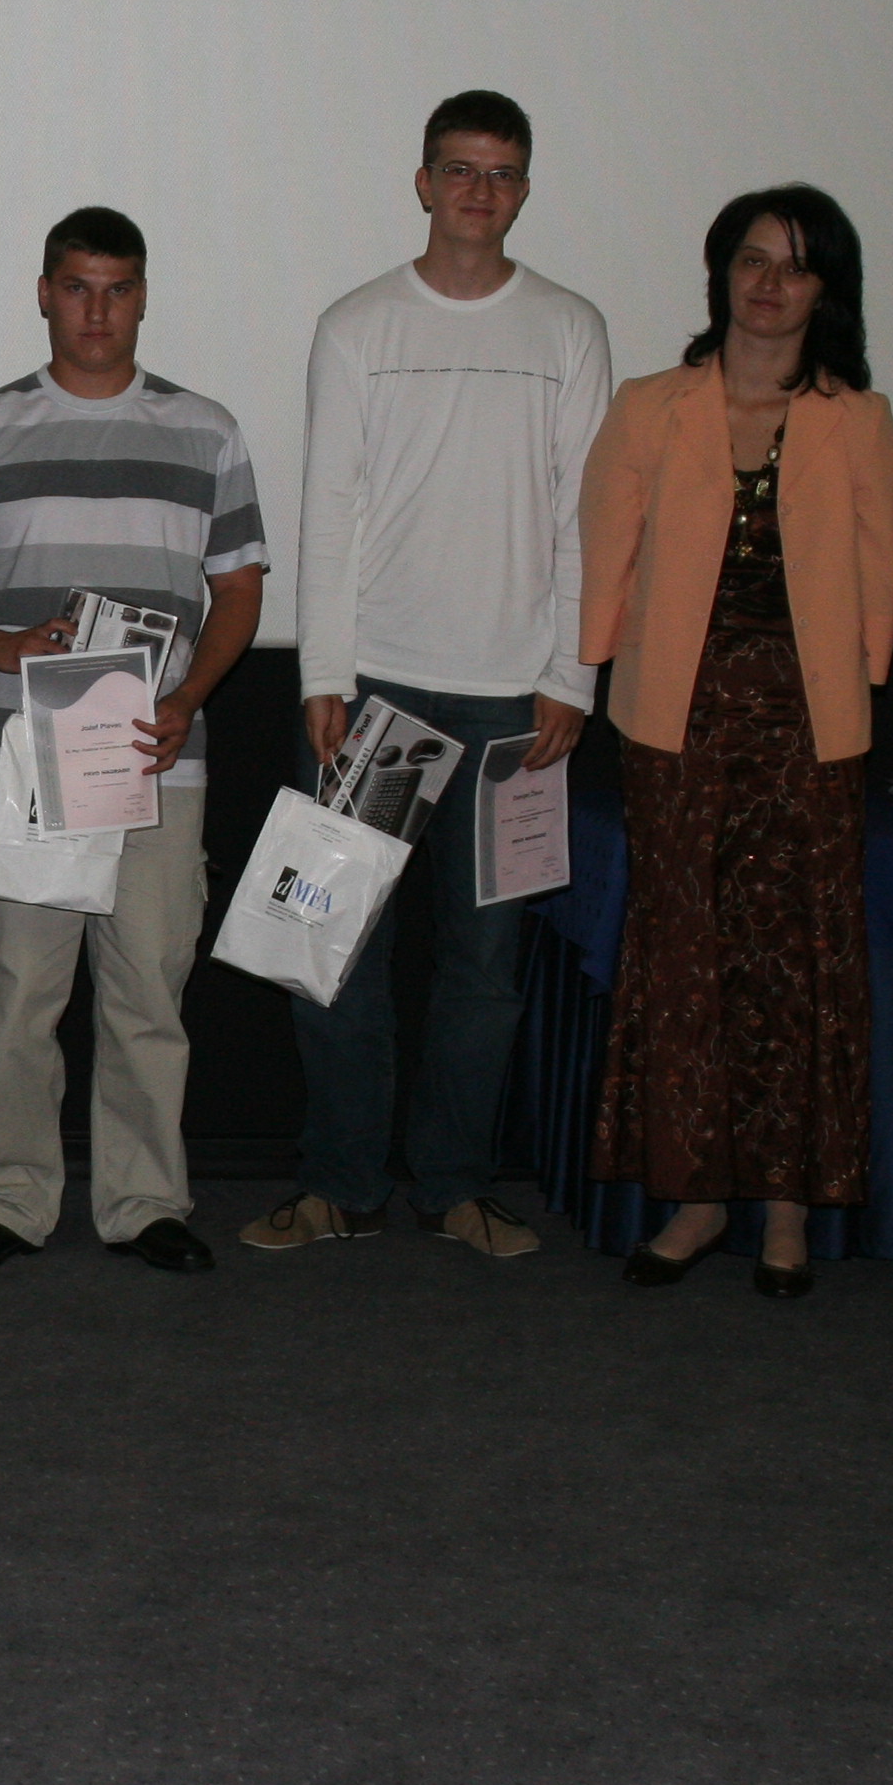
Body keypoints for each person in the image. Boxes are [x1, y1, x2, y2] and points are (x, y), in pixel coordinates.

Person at [258, 88, 613, 1261]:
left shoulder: (568, 328)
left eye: (501, 173)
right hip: (378, 696)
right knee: (333, 952)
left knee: (487, 969)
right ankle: (341, 1183)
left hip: (515, 705)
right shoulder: (358, 325)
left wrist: (572, 676)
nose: (478, 191)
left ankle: (456, 1183)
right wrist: (323, 674)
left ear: (523, 191)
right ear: (423, 182)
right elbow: (329, 505)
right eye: (459, 169)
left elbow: (583, 515)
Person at [0, 206, 270, 1276]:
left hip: (157, 756)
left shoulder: (207, 431)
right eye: (76, 287)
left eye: (118, 289)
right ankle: (8, 1199)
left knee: (148, 988)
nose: (96, 311)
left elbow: (240, 590)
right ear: (44, 293)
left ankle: (144, 1203)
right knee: (17, 992)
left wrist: (189, 695)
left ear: (142, 297)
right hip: (17, 758)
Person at [577, 186, 893, 1299]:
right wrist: (587, 667)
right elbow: (606, 551)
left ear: (827, 291)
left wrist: (866, 685)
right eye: (754, 260)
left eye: (797, 265)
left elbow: (885, 563)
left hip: (808, 729)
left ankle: (785, 1206)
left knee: (794, 965)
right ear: (722, 272)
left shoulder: (857, 419)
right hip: (672, 720)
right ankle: (697, 1198)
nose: (771, 284)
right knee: (685, 960)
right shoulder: (651, 406)